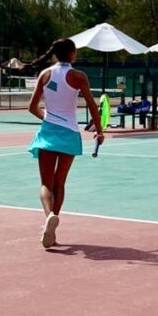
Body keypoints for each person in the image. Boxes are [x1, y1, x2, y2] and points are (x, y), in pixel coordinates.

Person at [27, 38, 103, 249]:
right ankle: (52, 225)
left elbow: (32, 107)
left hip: (48, 132)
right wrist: (99, 130)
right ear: (71, 54)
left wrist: (48, 119)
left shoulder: (45, 74)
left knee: (45, 184)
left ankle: (48, 216)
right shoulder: (79, 76)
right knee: (59, 183)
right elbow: (92, 105)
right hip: (70, 133)